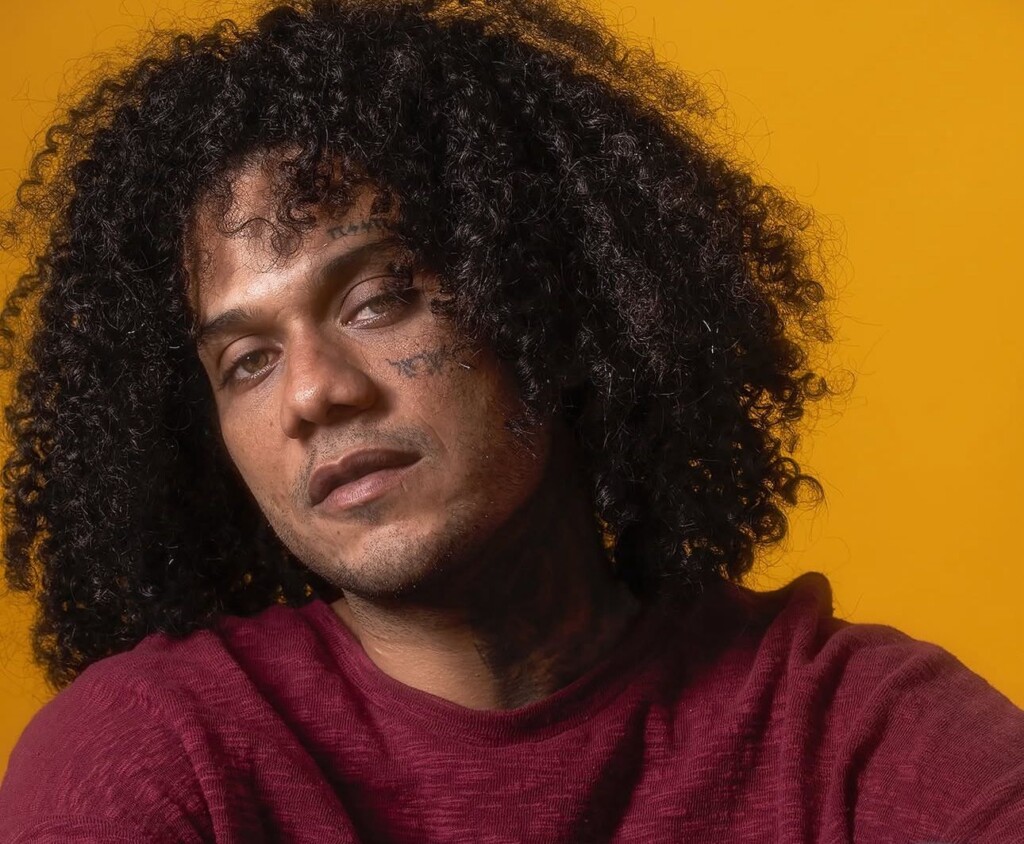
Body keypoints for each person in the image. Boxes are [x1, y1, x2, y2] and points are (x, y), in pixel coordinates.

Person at [0, 0, 1020, 840]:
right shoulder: (157, 755)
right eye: (247, 362)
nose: (312, 394)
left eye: (377, 301)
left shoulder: (850, 736)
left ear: (547, 298)